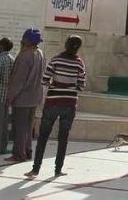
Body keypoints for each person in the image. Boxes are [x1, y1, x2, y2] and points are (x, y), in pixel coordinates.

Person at [26, 35, 86, 178]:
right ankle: (58, 170)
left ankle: (35, 170)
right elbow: (81, 85)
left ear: (65, 44)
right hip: (69, 103)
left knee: (43, 137)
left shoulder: (56, 60)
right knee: (63, 138)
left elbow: (45, 80)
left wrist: (56, 84)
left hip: (53, 102)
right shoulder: (79, 63)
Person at [5, 28, 46, 163]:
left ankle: (19, 154)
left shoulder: (24, 55)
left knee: (20, 127)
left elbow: (19, 80)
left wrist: (10, 96)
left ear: (26, 41)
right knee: (28, 127)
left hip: (23, 97)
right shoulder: (39, 53)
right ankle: (27, 151)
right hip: (34, 97)